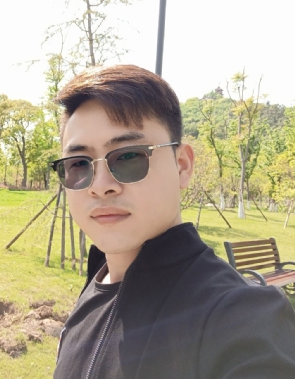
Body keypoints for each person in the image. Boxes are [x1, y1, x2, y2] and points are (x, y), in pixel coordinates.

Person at [50, 64, 295, 379]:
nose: (100, 185)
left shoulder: (241, 315)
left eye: (128, 156)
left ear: (182, 165)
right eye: (79, 164)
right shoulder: (95, 287)